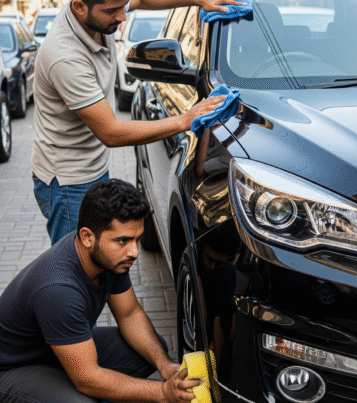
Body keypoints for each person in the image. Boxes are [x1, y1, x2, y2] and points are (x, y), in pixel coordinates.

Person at [31, 0, 240, 245]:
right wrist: (184, 120)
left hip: (92, 167)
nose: (122, 16)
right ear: (79, 7)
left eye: (122, 6)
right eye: (112, 11)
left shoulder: (101, 10)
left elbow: (140, 1)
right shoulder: (64, 57)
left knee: (102, 259)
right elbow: (110, 132)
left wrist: (197, 0)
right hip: (68, 182)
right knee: (77, 271)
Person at [0, 178, 200, 403]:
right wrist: (162, 393)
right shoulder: (58, 290)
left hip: (56, 349)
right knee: (82, 398)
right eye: (123, 240)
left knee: (154, 352)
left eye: (137, 239)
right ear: (87, 237)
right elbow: (86, 378)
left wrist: (165, 366)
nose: (134, 251)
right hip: (14, 368)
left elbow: (129, 314)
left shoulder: (108, 258)